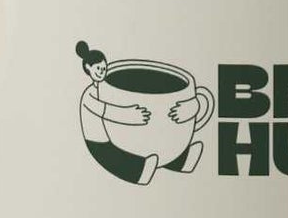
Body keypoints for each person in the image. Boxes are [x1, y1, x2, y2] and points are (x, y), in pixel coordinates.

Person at [76, 40, 200, 184]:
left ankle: (179, 159)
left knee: (165, 148)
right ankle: (139, 172)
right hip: (101, 142)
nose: (102, 72)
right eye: (98, 68)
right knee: (114, 159)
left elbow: (201, 101)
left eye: (104, 68)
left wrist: (191, 107)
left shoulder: (104, 89)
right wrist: (129, 116)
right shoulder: (90, 95)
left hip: (128, 136)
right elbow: (106, 111)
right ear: (88, 68)